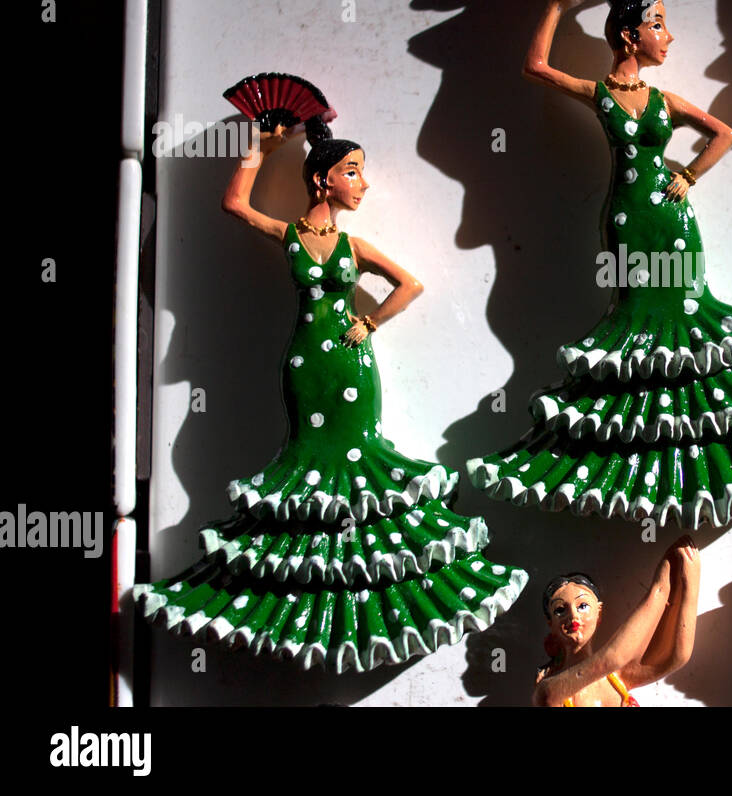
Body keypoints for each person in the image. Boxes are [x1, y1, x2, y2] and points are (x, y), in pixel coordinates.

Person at [467, 0, 732, 528]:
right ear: (629, 37)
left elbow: (723, 133)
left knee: (688, 315)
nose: (669, 37)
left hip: (673, 220)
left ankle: (701, 451)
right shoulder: (601, 93)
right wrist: (557, 6)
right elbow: (536, 67)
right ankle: (642, 453)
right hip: (628, 220)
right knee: (637, 322)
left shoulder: (663, 99)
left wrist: (691, 176)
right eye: (658, 25)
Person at [135, 111, 527, 673]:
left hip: (350, 368)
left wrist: (369, 324)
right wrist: (260, 148)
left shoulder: (354, 244)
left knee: (359, 461)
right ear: (323, 181)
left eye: (360, 172)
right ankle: (307, 592)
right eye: (352, 172)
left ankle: (363, 595)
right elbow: (235, 206)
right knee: (306, 461)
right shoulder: (291, 233)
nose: (362, 183)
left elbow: (410, 283)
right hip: (303, 364)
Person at [534, 536, 701, 707]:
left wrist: (690, 586)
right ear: (551, 624)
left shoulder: (615, 679)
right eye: (560, 610)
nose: (573, 616)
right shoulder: (548, 690)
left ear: (599, 613)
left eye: (582, 606)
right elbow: (612, 658)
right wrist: (658, 587)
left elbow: (677, 657)